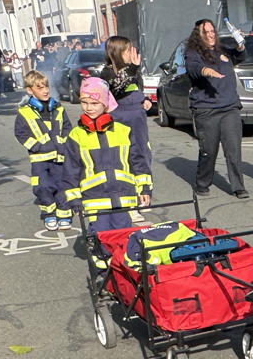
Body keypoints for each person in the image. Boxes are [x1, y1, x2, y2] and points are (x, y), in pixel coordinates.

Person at [63, 77, 152, 243]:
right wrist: (74, 200)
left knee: (123, 239)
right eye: (84, 102)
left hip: (123, 196)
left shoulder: (123, 131)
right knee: (101, 240)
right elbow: (70, 170)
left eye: (94, 103)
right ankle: (103, 268)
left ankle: (119, 268)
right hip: (94, 199)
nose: (88, 108)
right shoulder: (76, 135)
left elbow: (138, 162)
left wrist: (144, 188)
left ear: (105, 104)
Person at [184, 18, 249, 199]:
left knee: (233, 150)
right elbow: (193, 68)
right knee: (209, 151)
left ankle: (238, 187)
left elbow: (239, 56)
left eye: (213, 31)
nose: (211, 35)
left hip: (230, 108)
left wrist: (240, 45)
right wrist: (206, 71)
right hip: (206, 110)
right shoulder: (193, 53)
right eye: (206, 32)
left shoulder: (223, 50)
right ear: (199, 35)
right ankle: (203, 182)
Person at [99, 34, 154, 204]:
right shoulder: (107, 72)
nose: (132, 53)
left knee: (143, 153)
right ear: (117, 52)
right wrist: (132, 69)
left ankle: (144, 192)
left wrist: (145, 99)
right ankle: (128, 194)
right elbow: (118, 86)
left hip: (137, 116)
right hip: (120, 117)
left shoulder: (132, 69)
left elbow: (135, 87)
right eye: (128, 50)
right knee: (125, 156)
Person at [14, 70, 72, 231]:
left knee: (62, 185)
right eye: (40, 88)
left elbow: (67, 127)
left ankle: (64, 214)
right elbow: (21, 134)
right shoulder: (24, 112)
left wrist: (64, 143)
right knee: (43, 187)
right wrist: (37, 146)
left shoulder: (58, 108)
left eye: (46, 86)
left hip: (60, 156)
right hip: (39, 159)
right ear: (30, 90)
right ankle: (49, 214)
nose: (45, 90)